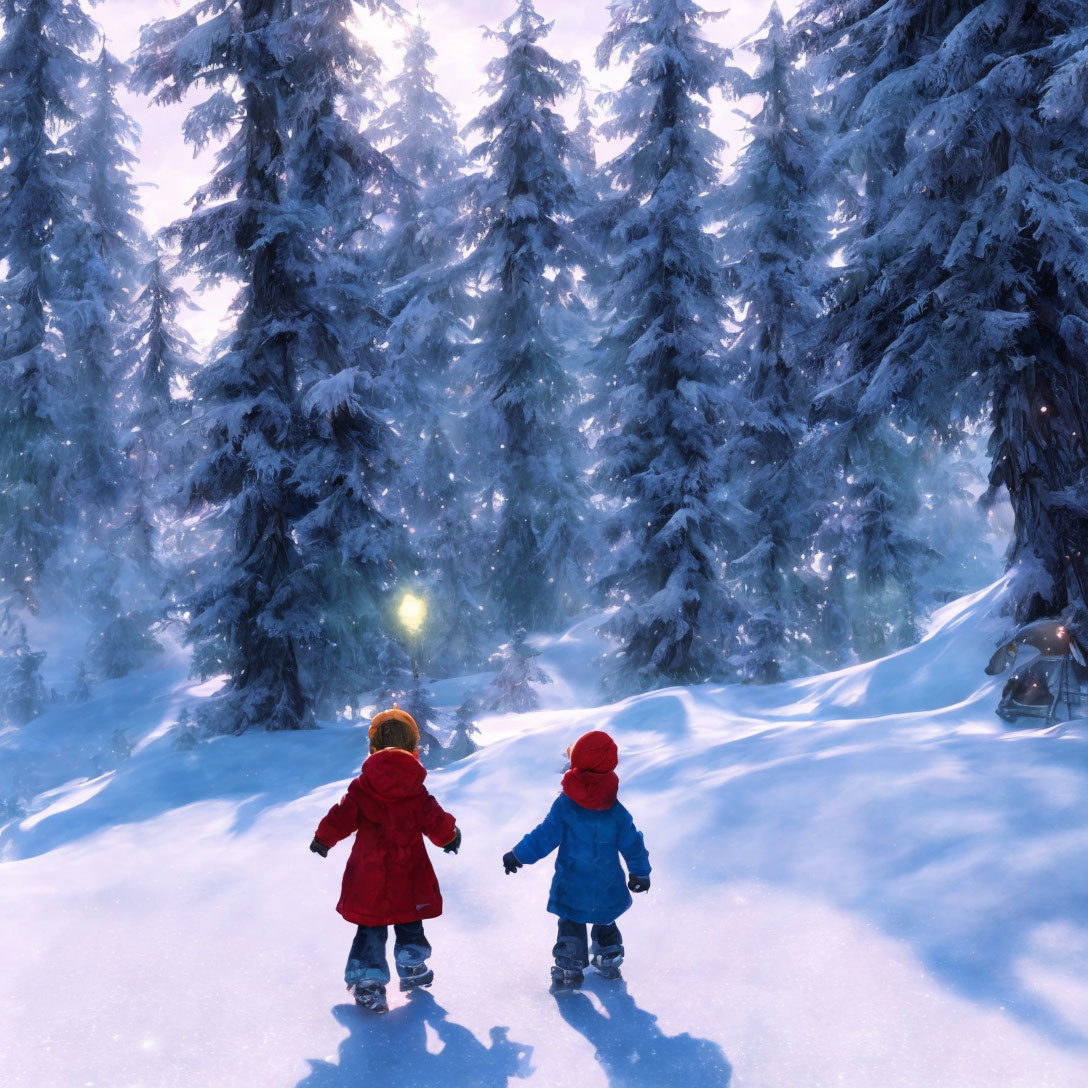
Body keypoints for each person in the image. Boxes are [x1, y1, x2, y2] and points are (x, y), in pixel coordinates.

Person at [310, 705, 461, 1013]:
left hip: (370, 875)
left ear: (373, 746)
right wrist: (450, 837)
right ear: (412, 747)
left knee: (371, 926)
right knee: (409, 920)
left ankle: (368, 983)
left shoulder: (363, 787)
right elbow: (435, 818)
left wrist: (323, 838)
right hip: (409, 873)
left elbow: (342, 815)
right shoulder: (416, 789)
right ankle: (412, 964)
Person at [502, 729, 651, 991]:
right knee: (605, 918)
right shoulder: (616, 810)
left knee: (571, 922)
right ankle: (609, 957)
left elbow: (544, 836)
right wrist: (640, 872)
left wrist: (518, 855)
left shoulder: (565, 805)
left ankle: (570, 967)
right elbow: (632, 842)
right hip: (607, 882)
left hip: (572, 882)